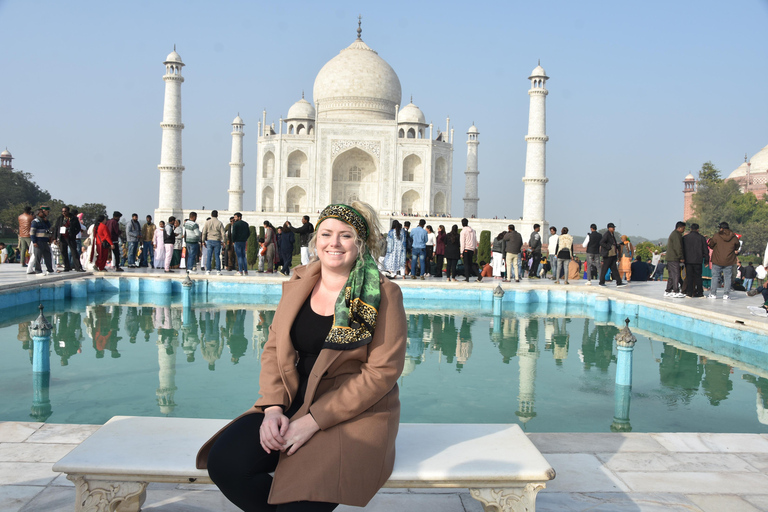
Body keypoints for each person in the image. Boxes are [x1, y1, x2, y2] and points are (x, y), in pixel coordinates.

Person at [198, 202, 407, 512]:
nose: (333, 243)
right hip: (294, 398)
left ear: (361, 244)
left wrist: (313, 421)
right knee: (227, 464)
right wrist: (272, 407)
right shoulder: (300, 284)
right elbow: (274, 348)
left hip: (350, 412)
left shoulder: (382, 293)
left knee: (302, 494)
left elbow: (381, 373)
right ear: (315, 239)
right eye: (326, 234)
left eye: (345, 235)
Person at [708, 221, 740, 300]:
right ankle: (726, 294)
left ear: (721, 228)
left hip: (717, 260)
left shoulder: (717, 236)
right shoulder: (733, 237)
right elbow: (737, 246)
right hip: (729, 260)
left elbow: (711, 245)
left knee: (715, 277)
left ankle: (713, 294)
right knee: (727, 278)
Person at [52, 206, 84, 272]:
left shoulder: (74, 218)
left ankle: (78, 267)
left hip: (70, 237)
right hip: (62, 237)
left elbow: (78, 228)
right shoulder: (60, 218)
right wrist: (55, 238)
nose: (64, 213)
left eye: (65, 211)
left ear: (68, 211)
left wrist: (73, 233)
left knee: (74, 252)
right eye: (63, 211)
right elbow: (56, 228)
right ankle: (67, 267)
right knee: (64, 252)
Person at [683, 223, 709, 298]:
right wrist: (706, 260)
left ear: (691, 229)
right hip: (698, 260)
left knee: (689, 277)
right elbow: (705, 250)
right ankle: (700, 292)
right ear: (698, 229)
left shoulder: (685, 238)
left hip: (688, 260)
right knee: (698, 277)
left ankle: (689, 293)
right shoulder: (701, 238)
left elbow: (683, 249)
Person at [599, 222, 625, 287]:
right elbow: (601, 242)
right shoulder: (607, 234)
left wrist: (617, 246)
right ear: (609, 228)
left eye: (614, 227)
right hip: (608, 255)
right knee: (604, 269)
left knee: (614, 269)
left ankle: (619, 282)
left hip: (613, 254)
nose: (614, 229)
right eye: (613, 227)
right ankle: (601, 282)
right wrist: (608, 247)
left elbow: (614, 243)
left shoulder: (612, 234)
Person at [30, 207, 55, 275]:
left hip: (45, 241)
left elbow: (50, 228)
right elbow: (32, 232)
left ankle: (50, 270)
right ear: (38, 213)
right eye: (41, 212)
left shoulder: (44, 221)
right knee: (38, 256)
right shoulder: (35, 222)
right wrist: (34, 241)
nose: (43, 213)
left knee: (48, 255)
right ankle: (38, 270)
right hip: (39, 241)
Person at [664, 221, 686, 298]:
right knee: (676, 274)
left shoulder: (674, 234)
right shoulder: (677, 235)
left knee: (671, 275)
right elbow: (678, 247)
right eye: (683, 228)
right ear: (679, 228)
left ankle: (668, 290)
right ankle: (675, 291)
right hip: (674, 257)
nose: (683, 230)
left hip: (670, 257)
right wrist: (681, 257)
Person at [202, 210, 225, 275]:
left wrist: (203, 241)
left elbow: (204, 232)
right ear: (217, 215)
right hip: (217, 240)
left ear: (211, 215)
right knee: (217, 256)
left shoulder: (207, 222)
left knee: (209, 255)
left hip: (209, 240)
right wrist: (224, 241)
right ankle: (218, 271)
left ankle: (208, 270)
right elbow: (223, 233)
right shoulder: (219, 223)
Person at [460, 218, 481, 282]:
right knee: (471, 264)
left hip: (466, 249)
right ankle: (479, 275)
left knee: (466, 264)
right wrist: (474, 248)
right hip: (471, 249)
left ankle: (467, 278)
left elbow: (462, 242)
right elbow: (475, 240)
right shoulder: (473, 231)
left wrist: (461, 252)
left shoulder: (463, 231)